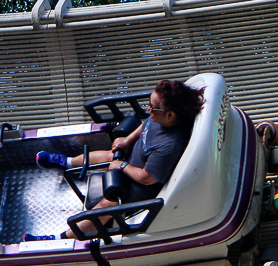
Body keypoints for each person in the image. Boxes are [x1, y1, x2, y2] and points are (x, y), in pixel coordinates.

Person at [34, 79, 205, 239]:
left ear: (170, 115)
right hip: (132, 160)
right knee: (110, 155)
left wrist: (122, 166)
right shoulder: (160, 118)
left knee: (107, 203)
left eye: (153, 108)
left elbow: (147, 178)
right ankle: (68, 163)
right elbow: (146, 125)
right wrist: (127, 140)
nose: (148, 111)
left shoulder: (169, 145)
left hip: (137, 187)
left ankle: (60, 238)